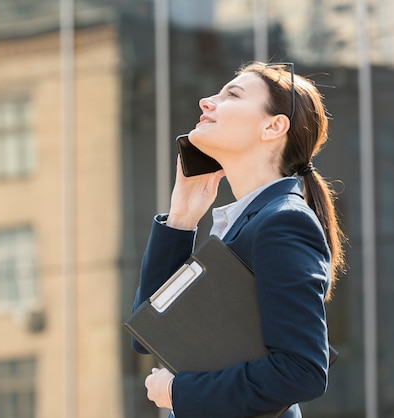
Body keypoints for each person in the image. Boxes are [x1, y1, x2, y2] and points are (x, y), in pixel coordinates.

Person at [131, 61, 346, 417]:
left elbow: (302, 371)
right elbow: (147, 333)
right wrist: (181, 219)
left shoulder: (284, 222)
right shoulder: (242, 224)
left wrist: (178, 390)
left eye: (231, 94)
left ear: (273, 126)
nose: (206, 101)